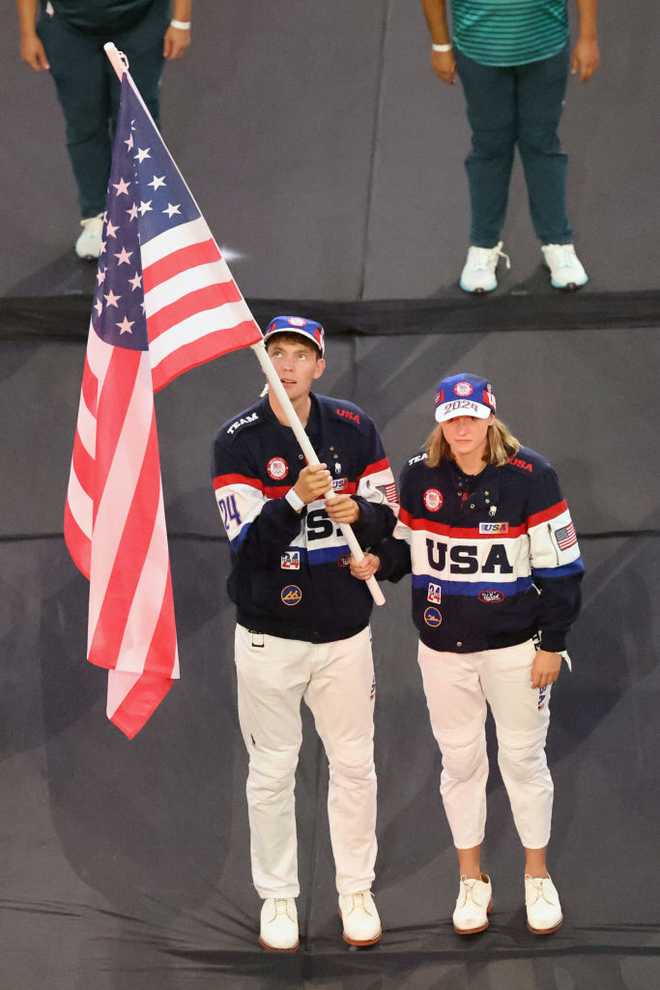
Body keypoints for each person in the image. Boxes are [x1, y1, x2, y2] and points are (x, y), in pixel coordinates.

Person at [350, 372, 584, 935]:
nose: (461, 428)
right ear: (440, 421)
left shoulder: (533, 475)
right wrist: (377, 563)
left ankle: (536, 877)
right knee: (460, 765)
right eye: (451, 418)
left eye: (471, 417)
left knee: (524, 761)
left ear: (490, 418)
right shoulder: (419, 474)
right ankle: (471, 882)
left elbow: (562, 569)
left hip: (514, 649)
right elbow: (404, 550)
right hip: (443, 652)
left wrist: (553, 643)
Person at [211, 316, 398, 951]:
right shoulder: (236, 441)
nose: (287, 364)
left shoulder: (353, 428)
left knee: (354, 766)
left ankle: (355, 889)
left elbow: (389, 519)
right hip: (270, 638)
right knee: (271, 771)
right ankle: (278, 898)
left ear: (321, 366)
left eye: (300, 355)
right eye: (276, 353)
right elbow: (246, 550)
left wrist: (361, 517)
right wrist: (293, 500)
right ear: (261, 362)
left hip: (346, 636)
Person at [420, 0, 600, 293]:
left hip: (546, 48)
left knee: (542, 144)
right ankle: (483, 246)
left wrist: (588, 38)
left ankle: (558, 243)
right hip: (479, 53)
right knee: (490, 147)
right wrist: (440, 46)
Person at [16, 0, 192, 260]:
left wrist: (180, 21)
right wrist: (28, 33)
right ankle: (97, 219)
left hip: (140, 22)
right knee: (84, 122)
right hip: (68, 29)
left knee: (138, 121)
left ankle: (146, 217)